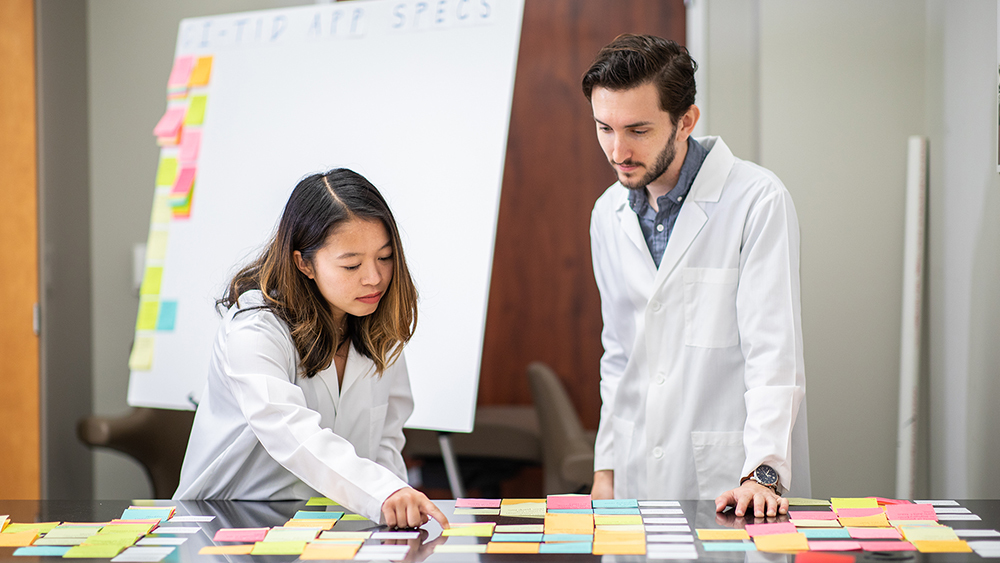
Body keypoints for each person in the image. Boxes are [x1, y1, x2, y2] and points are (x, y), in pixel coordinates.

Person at [582, 34, 810, 517]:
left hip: (732, 477)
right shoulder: (607, 213)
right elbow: (619, 354)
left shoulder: (756, 200)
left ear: (685, 121)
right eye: (604, 128)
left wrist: (763, 471)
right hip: (636, 470)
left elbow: (773, 351)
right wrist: (606, 467)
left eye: (637, 131)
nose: (617, 151)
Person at [173, 169, 448, 529]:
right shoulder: (255, 329)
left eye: (384, 257)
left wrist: (396, 505)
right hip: (227, 522)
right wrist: (383, 492)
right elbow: (292, 433)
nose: (375, 278)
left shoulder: (379, 326)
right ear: (304, 263)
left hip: (328, 523)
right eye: (352, 264)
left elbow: (385, 444)